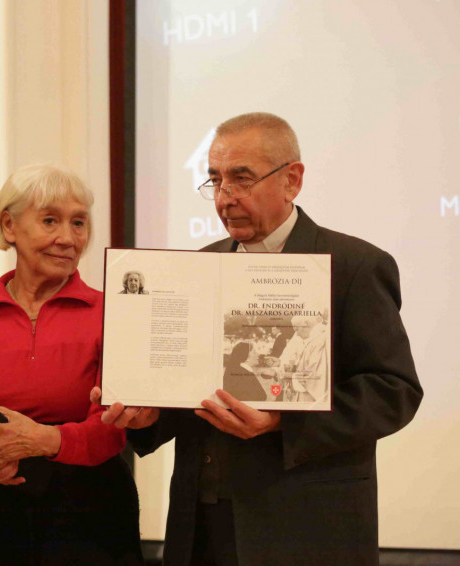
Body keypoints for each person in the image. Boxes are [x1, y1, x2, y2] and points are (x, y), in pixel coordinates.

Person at [97, 112, 422, 565]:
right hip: (201, 526)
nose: (224, 197)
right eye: (215, 180)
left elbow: (393, 391)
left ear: (292, 180)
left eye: (241, 179)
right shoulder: (200, 264)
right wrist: (145, 414)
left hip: (305, 527)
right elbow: (191, 386)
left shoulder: (354, 265)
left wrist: (283, 421)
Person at [0, 164, 143, 565]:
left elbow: (112, 432)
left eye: (79, 223)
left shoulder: (112, 314)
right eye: (50, 220)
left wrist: (41, 440)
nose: (67, 238)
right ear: (9, 226)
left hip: (92, 512)